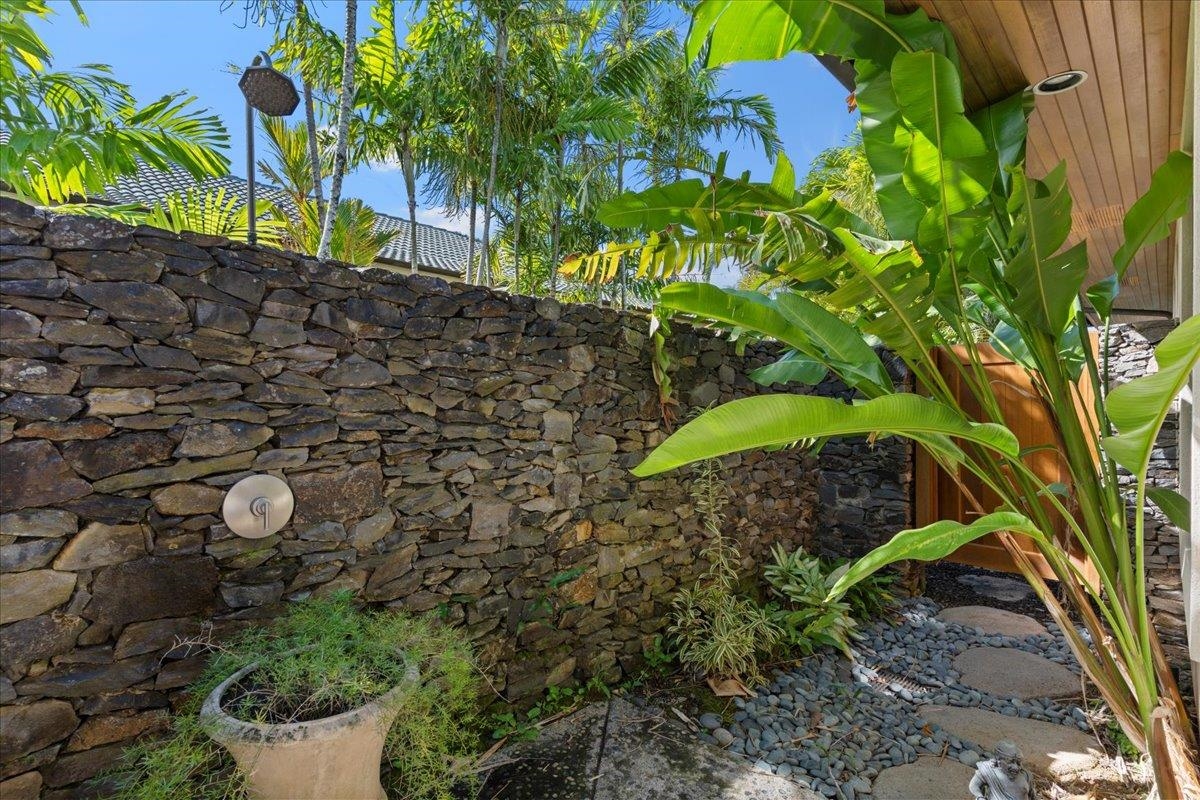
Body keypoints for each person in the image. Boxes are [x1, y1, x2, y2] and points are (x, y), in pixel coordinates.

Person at [968, 740, 1034, 800]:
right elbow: (974, 785)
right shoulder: (988, 770)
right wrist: (980, 797)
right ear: (998, 759)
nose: (1015, 767)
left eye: (1018, 763)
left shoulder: (1026, 775)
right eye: (1010, 762)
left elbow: (1032, 795)